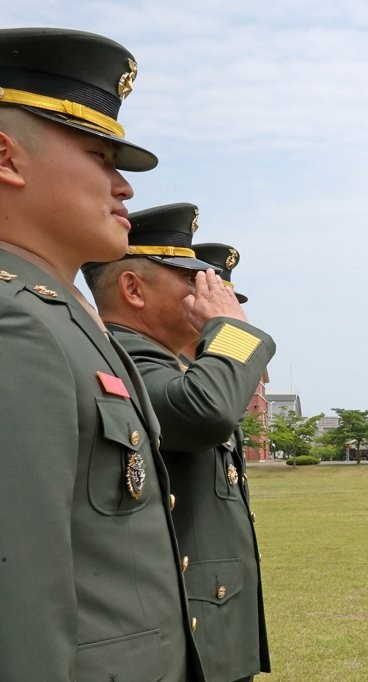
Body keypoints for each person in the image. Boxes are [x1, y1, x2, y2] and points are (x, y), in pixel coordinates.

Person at [0, 28, 204, 679]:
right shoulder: (16, 323)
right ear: (6, 158)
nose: (125, 189)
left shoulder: (59, 316)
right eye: (99, 156)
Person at [83, 203, 274, 681]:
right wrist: (233, 333)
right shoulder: (122, 358)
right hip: (177, 631)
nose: (207, 294)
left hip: (209, 624)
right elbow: (205, 411)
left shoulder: (165, 364)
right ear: (133, 289)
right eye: (192, 281)